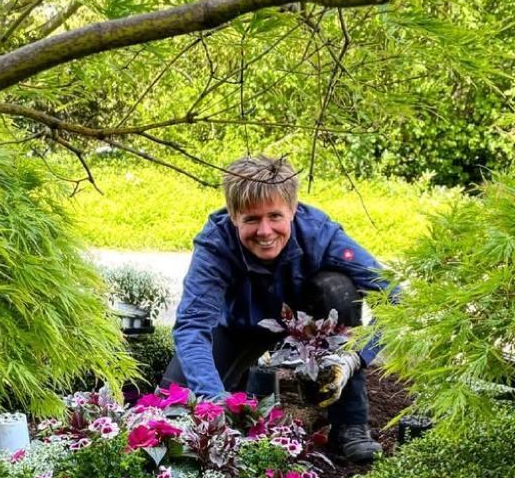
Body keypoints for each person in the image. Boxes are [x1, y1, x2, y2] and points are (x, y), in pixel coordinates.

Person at [161, 155, 389, 462]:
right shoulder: (216, 244)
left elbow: (395, 297)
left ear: (293, 210)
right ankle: (234, 390)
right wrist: (212, 401)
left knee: (339, 290)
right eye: (251, 219)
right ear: (233, 216)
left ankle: (350, 422)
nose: (265, 231)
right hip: (239, 327)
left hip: (308, 324)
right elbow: (192, 326)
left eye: (275, 217)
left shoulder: (321, 233)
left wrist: (354, 359)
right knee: (170, 406)